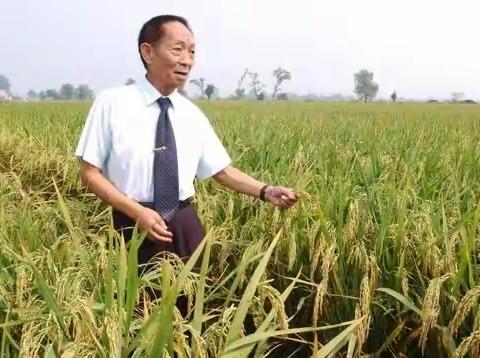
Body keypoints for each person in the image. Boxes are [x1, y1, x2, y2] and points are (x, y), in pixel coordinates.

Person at [75, 14, 299, 275]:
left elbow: (222, 171)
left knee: (194, 303)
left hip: (183, 222)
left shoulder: (191, 114)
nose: (187, 60)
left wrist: (266, 190)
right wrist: (137, 213)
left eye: (192, 51)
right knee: (135, 309)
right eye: (178, 49)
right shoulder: (112, 103)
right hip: (131, 222)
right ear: (148, 52)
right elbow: (89, 172)